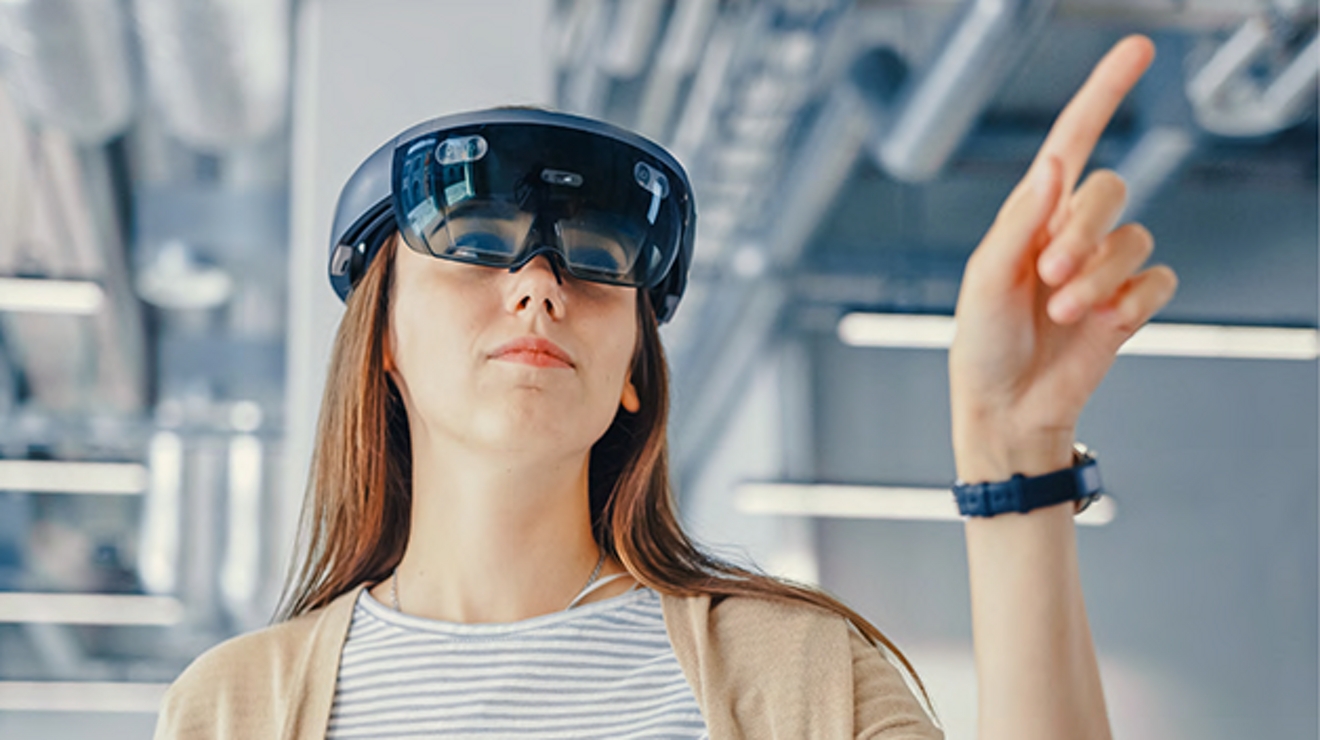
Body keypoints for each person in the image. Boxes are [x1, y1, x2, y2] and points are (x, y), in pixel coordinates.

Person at [153, 34, 1178, 740]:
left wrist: (1012, 451)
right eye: (473, 245)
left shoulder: (799, 676)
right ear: (380, 341)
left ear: (635, 375)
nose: (540, 286)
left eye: (595, 259)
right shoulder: (234, 705)